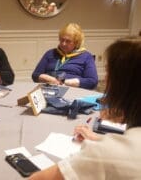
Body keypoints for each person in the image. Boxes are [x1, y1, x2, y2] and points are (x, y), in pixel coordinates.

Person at [29, 36, 141, 180]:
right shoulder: (50, 53)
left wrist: (100, 149)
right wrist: (98, 139)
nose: (104, 79)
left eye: (108, 72)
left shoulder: (104, 154)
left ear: (123, 85)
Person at [32, 23, 98, 89]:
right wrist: (51, 80)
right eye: (62, 40)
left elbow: (92, 81)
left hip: (73, 90)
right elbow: (35, 75)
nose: (63, 44)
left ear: (76, 43)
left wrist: (65, 82)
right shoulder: (50, 53)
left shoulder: (86, 56)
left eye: (68, 41)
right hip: (49, 88)